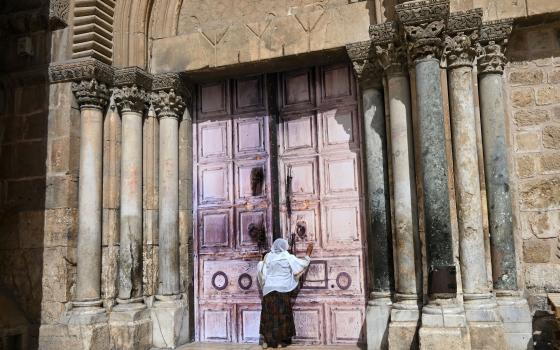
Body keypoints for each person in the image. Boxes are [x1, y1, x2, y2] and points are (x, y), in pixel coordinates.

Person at [257, 238, 314, 349]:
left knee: (268, 315)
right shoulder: (287, 256)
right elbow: (301, 264)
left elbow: (261, 269)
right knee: (282, 315)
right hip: (282, 289)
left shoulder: (268, 256)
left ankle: (266, 342)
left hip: (268, 289)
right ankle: (280, 342)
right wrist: (308, 254)